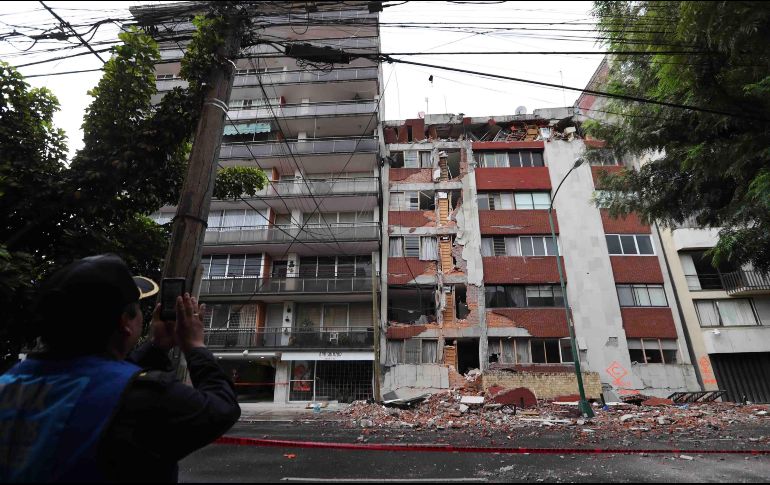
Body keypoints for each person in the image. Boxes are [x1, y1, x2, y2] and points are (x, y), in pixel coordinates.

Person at [0, 254, 241, 483]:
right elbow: (222, 408)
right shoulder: (145, 398)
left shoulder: (8, 383)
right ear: (125, 322)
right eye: (138, 309)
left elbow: (100, 381)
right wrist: (195, 346)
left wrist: (155, 348)